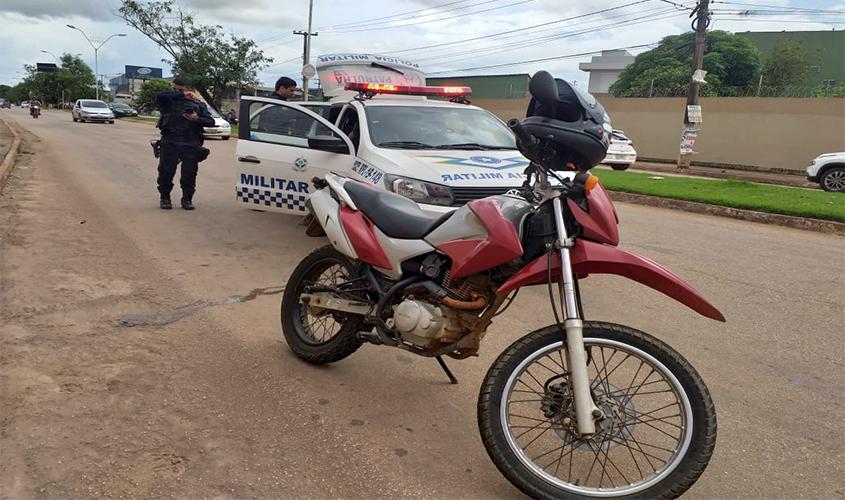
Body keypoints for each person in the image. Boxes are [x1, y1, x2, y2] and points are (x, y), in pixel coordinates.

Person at [154, 76, 215, 210]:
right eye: (174, 89)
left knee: (189, 174)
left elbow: (211, 121)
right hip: (170, 142)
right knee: (166, 173)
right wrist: (179, 94)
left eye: (180, 89)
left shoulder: (198, 104)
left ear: (188, 89)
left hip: (190, 143)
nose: (176, 91)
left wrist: (196, 118)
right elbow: (159, 95)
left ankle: (187, 199)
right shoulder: (167, 101)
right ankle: (165, 198)